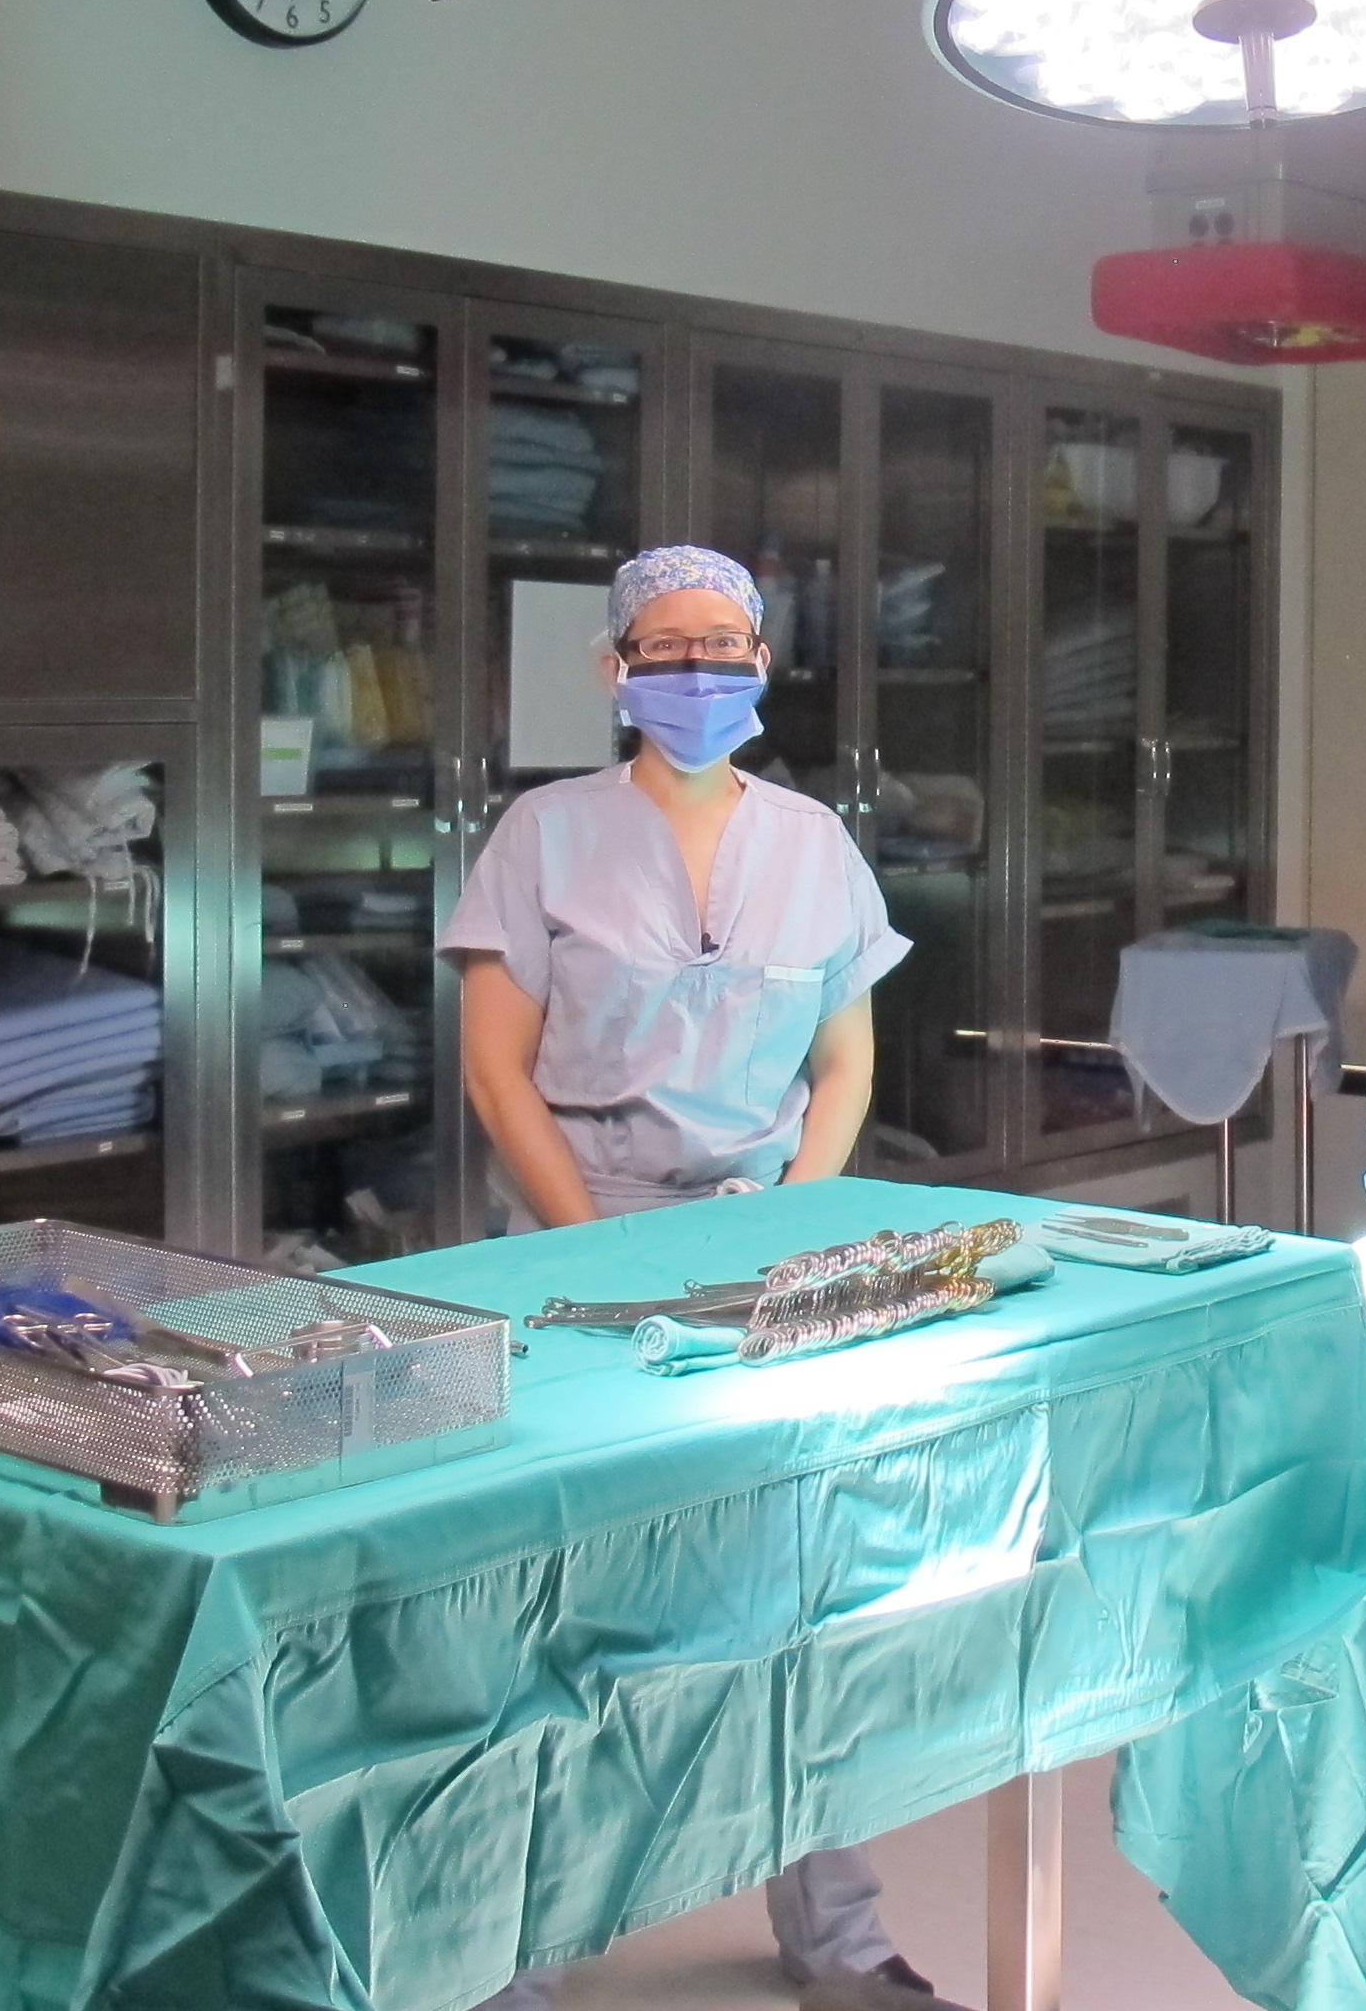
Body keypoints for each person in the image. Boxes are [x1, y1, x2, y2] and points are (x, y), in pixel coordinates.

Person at [441, 545, 938, 2011]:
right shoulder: (541, 834)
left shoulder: (815, 842)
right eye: (664, 648)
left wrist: (791, 1220)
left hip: (765, 1239)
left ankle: (837, 1942)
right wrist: (596, 1243)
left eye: (725, 645)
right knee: (564, 1610)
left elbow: (844, 1060)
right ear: (614, 672)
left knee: (797, 1590)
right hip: (577, 1239)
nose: (698, 671)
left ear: (767, 665)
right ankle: (512, 1963)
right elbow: (495, 1065)